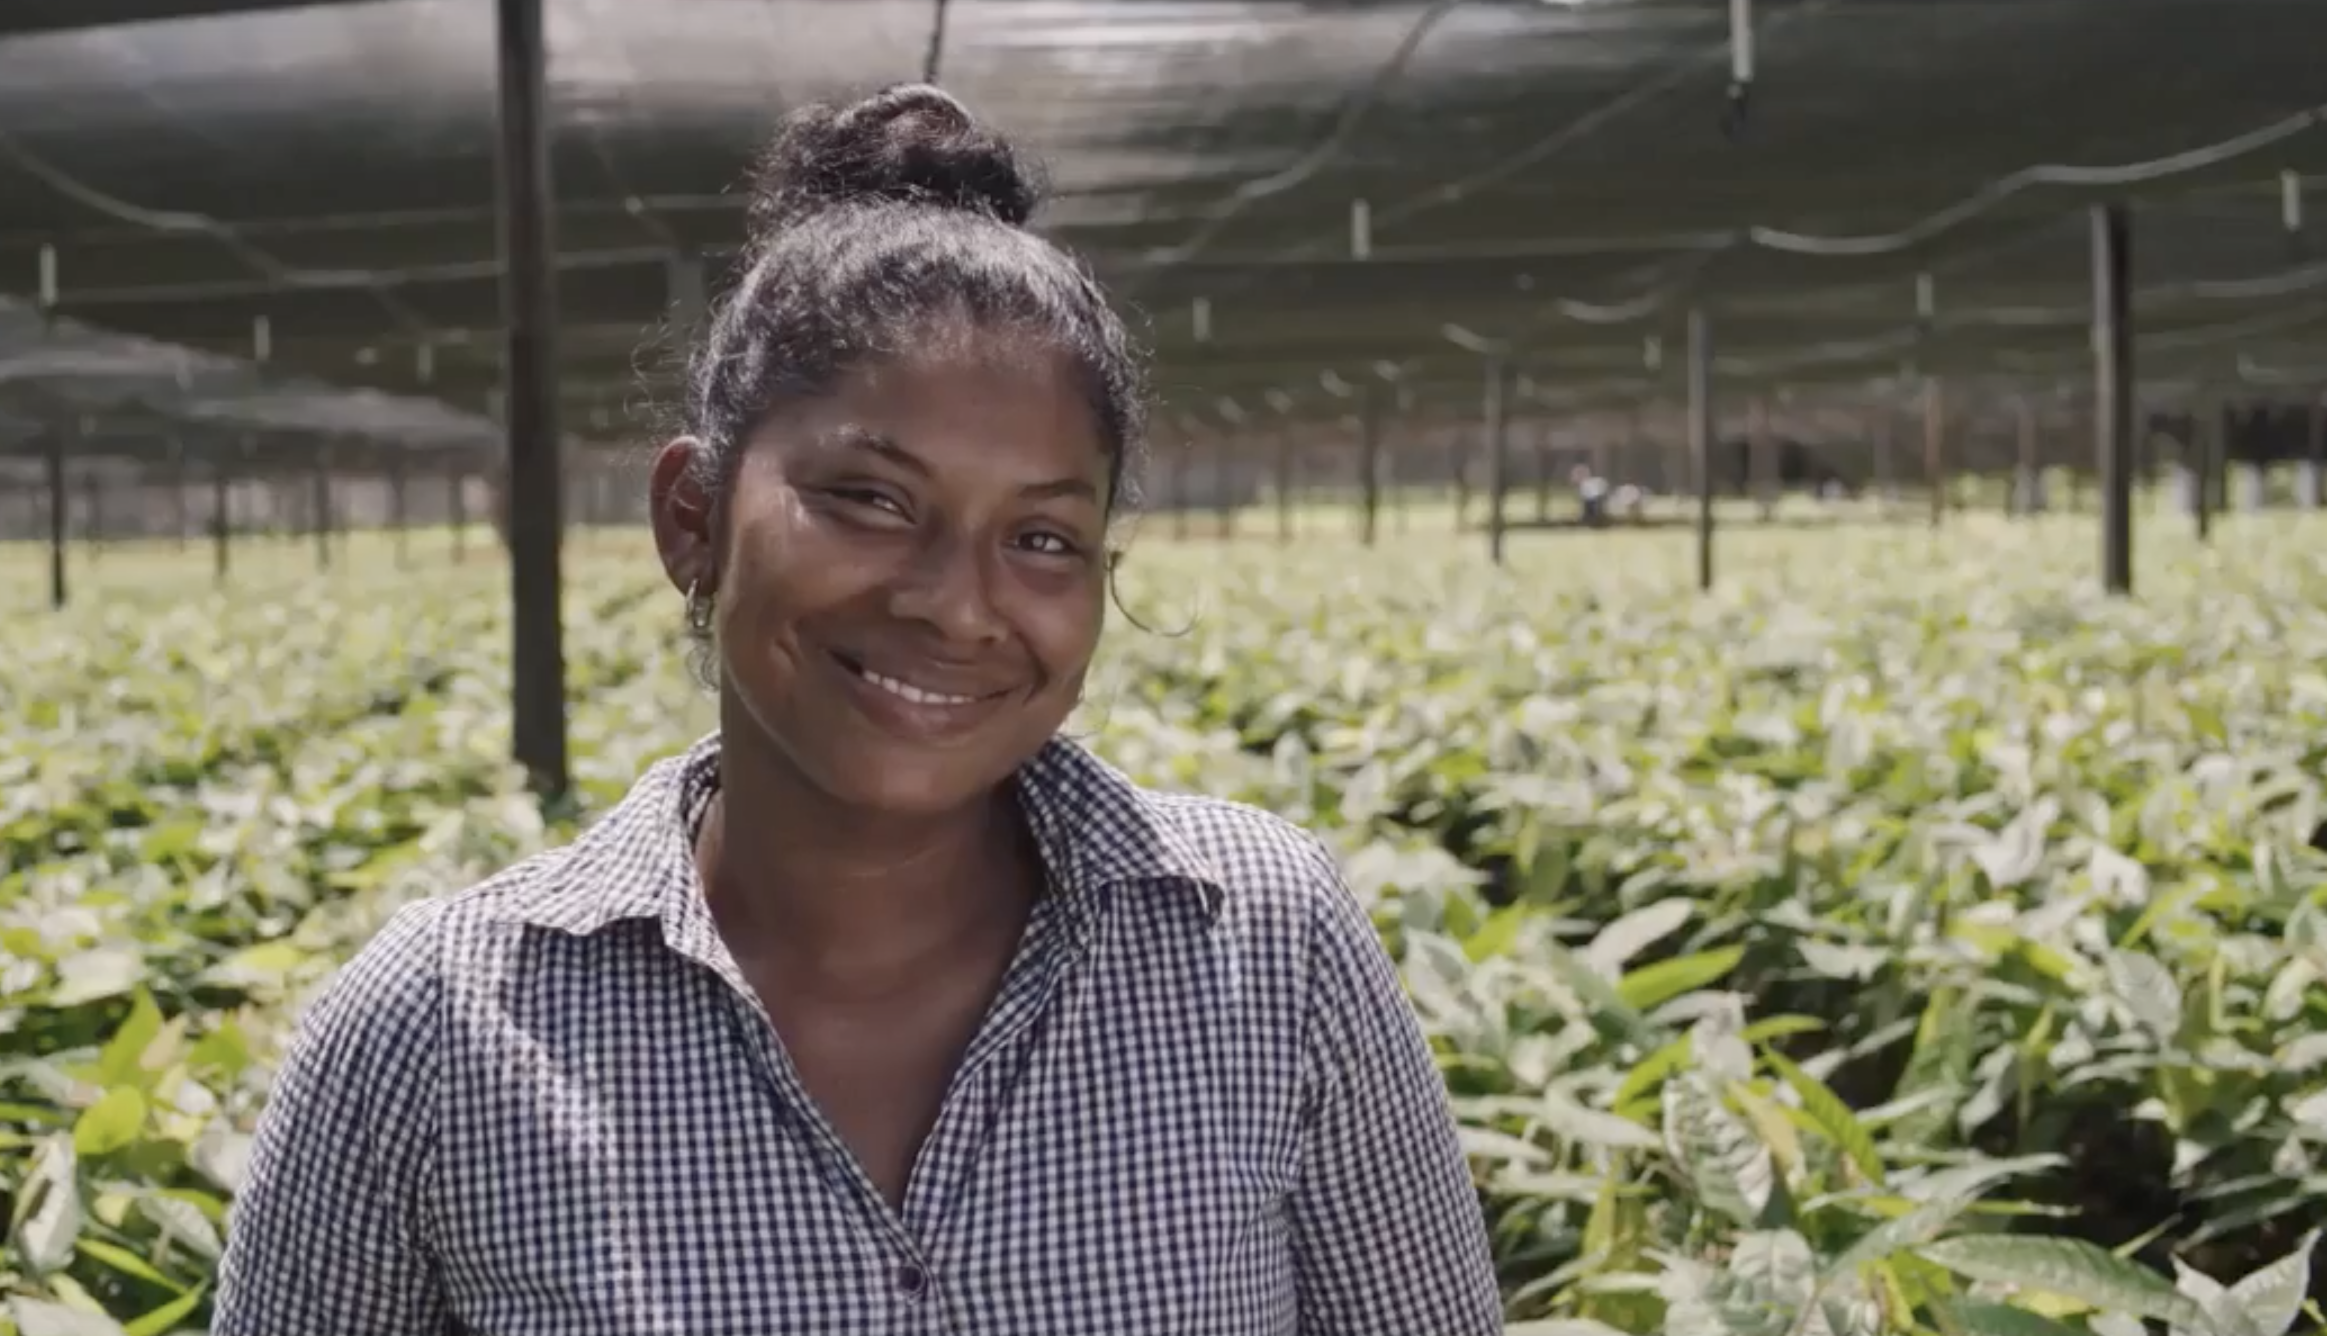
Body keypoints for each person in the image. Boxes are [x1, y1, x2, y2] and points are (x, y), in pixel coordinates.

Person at [212, 83, 1502, 1336]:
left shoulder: (1265, 949)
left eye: (1045, 536)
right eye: (870, 500)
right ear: (693, 519)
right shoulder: (435, 1030)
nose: (959, 604)